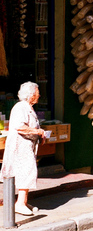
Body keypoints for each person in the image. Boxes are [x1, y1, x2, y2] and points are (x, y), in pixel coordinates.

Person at [1, 82, 47, 216]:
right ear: (31, 94)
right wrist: (37, 132)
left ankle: (23, 202)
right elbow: (20, 127)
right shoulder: (20, 107)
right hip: (20, 146)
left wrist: (40, 135)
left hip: (26, 146)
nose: (39, 95)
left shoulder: (28, 107)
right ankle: (20, 204)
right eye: (37, 92)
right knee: (27, 172)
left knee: (27, 173)